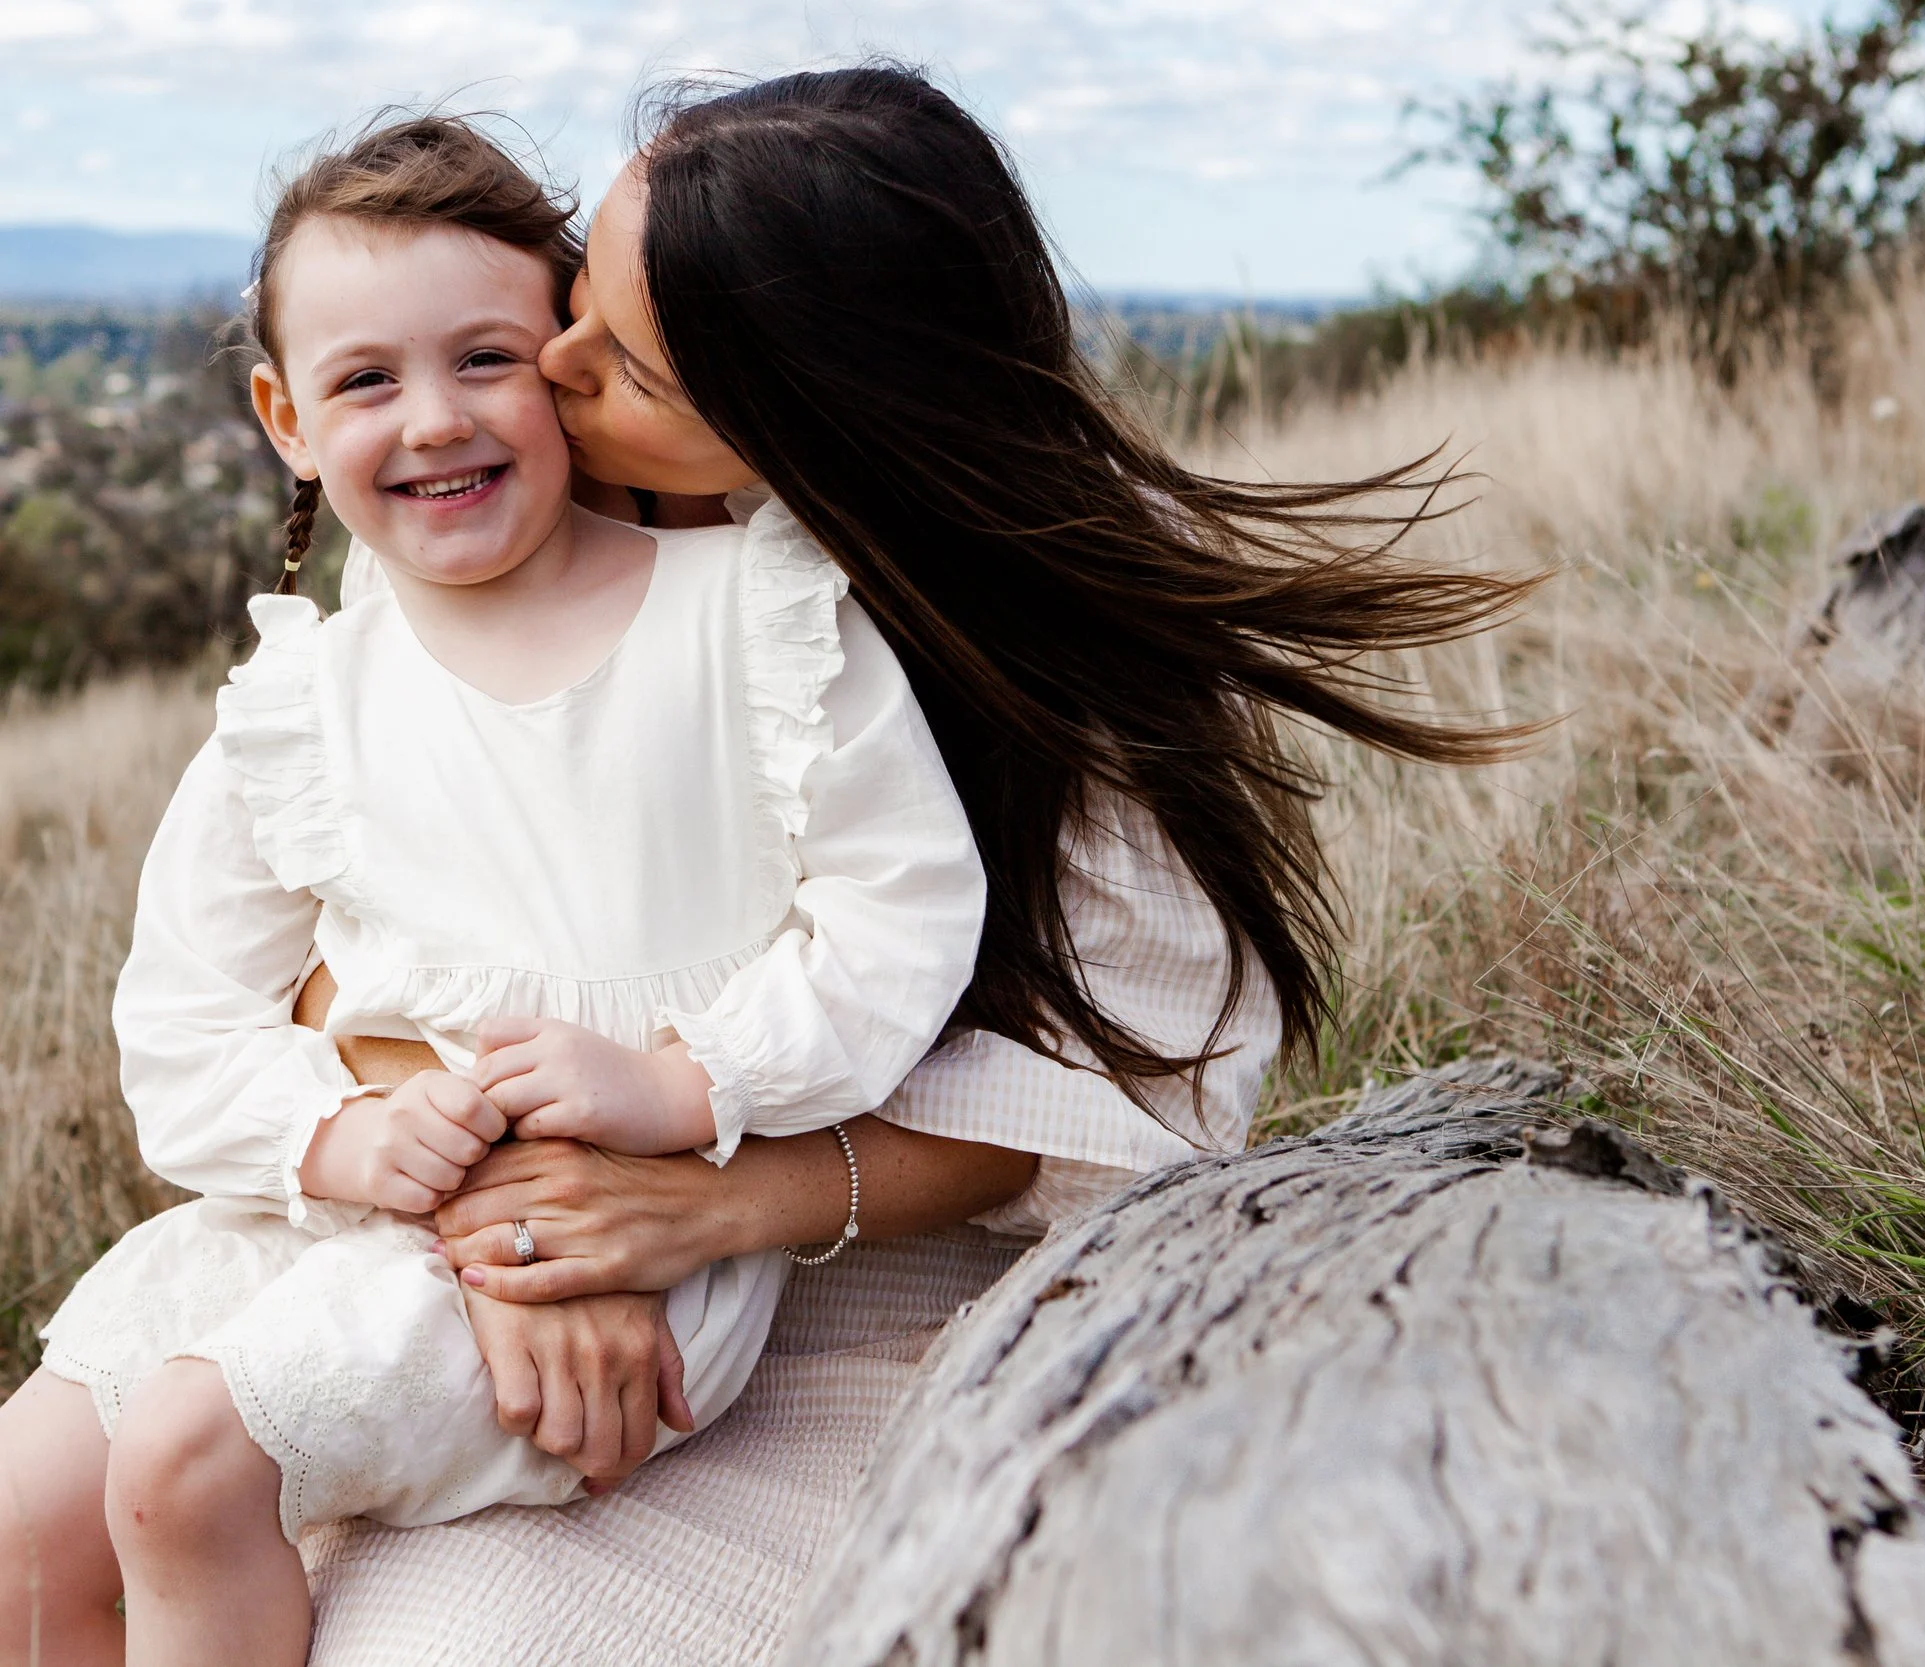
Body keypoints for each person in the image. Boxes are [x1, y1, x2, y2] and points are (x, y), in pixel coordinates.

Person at [283, 66, 1539, 1665]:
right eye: (580, 302)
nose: (554, 363)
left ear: (812, 420)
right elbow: (333, 948)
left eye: (631, 368)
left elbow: (1118, 1098)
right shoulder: (549, 547)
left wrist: (700, 1207)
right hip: (498, 1238)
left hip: (895, 1297)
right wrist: (524, 1220)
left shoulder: (1064, 677)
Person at [0, 115, 990, 1667]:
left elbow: (902, 911)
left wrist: (685, 1082)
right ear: (283, 414)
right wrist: (341, 1133)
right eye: (366, 379)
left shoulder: (754, 615)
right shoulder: (302, 703)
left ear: (569, 365)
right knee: (15, 1526)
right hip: (336, 1205)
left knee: (189, 1467)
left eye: (485, 358)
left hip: (630, 1239)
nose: (434, 418)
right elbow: (182, 1027)